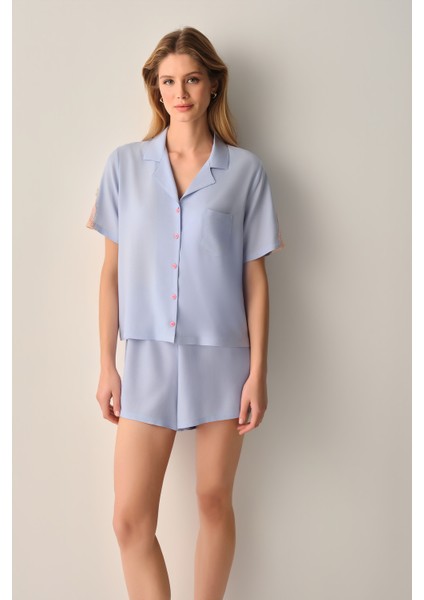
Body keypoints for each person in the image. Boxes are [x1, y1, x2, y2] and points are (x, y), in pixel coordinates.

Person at [86, 26, 285, 600]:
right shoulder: (124, 166)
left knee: (213, 500)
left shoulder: (245, 172)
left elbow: (255, 278)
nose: (180, 92)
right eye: (169, 81)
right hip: (146, 357)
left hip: (222, 359)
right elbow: (110, 273)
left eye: (192, 79)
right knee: (129, 520)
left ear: (213, 85)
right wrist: (107, 364)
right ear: (155, 88)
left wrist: (258, 373)